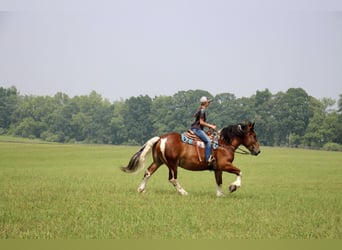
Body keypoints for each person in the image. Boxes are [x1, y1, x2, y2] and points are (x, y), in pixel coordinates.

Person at [191, 96, 217, 167]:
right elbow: (201, 122)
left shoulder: (200, 109)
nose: (209, 103)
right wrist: (211, 126)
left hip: (195, 128)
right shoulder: (203, 110)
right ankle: (207, 159)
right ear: (205, 103)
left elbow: (194, 115)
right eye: (208, 102)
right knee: (208, 141)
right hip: (197, 129)